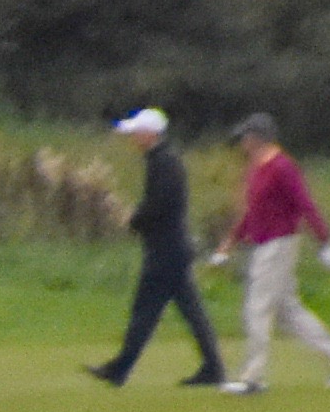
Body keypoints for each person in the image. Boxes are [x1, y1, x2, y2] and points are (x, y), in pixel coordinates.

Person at [212, 112, 330, 395]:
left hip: (279, 245)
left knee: (257, 307)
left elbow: (305, 203)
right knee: (287, 310)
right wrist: (229, 243)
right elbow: (252, 212)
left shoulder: (282, 167)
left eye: (246, 137)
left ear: (257, 138)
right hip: (263, 244)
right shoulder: (255, 168)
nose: (242, 142)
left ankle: (253, 377)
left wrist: (325, 241)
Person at [87, 108, 228, 389]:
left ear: (150, 134)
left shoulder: (164, 162)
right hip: (171, 249)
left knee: (148, 311)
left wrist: (133, 220)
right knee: (183, 311)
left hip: (167, 251)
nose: (132, 139)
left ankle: (121, 369)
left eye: (136, 134)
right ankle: (212, 367)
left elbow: (159, 205)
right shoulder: (162, 160)